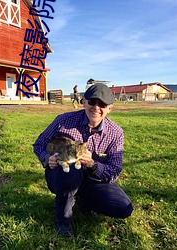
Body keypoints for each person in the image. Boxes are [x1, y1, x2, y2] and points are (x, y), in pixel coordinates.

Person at [33, 84, 133, 237]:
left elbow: (114, 171)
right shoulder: (63, 121)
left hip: (93, 179)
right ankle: (64, 220)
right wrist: (47, 159)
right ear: (84, 102)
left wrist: (93, 165)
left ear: (110, 108)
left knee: (123, 207)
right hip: (62, 174)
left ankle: (84, 200)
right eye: (92, 102)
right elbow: (39, 144)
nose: (96, 108)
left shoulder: (116, 133)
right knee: (71, 170)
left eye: (102, 104)